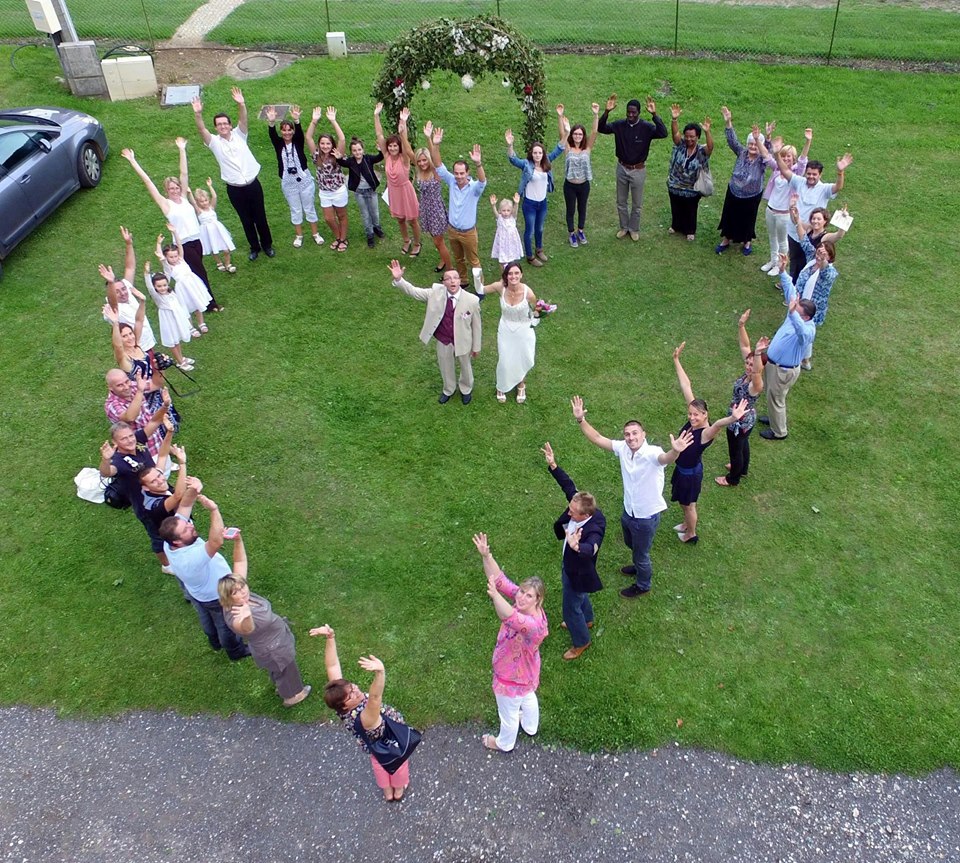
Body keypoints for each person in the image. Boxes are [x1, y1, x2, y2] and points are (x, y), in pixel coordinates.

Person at [571, 395, 692, 598]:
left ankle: (643, 583)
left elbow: (666, 458)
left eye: (635, 433)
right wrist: (581, 420)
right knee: (631, 544)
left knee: (641, 554)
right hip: (629, 511)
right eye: (627, 434)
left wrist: (676, 451)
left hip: (645, 517)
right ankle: (638, 562)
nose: (631, 437)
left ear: (643, 435)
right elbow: (598, 438)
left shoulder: (653, 453)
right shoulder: (623, 449)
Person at [311, 624, 411, 801]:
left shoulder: (342, 706)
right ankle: (398, 790)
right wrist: (380, 672)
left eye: (351, 687)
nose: (356, 691)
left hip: (374, 747)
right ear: (344, 706)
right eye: (350, 695)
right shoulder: (365, 717)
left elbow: (332, 665)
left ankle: (388, 793)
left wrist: (330, 638)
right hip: (391, 740)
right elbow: (375, 697)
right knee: (397, 764)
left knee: (379, 765)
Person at [119, 142, 221, 311]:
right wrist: (132, 161)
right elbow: (148, 182)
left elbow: (184, 172)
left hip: (197, 240)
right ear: (166, 191)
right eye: (171, 188)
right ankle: (210, 304)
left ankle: (197, 301)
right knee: (200, 272)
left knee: (195, 274)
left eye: (176, 187)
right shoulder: (166, 204)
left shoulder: (185, 198)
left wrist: (182, 149)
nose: (174, 190)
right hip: (184, 245)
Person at [159, 478, 251, 661]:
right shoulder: (189, 559)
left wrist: (194, 489)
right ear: (177, 541)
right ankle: (235, 651)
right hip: (216, 596)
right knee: (227, 626)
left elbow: (185, 505)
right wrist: (213, 510)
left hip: (197, 593)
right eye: (186, 529)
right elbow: (216, 541)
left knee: (206, 620)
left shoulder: (170, 543)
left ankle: (214, 642)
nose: (191, 526)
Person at [472, 532, 548, 752]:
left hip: (511, 676)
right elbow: (500, 580)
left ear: (538, 600)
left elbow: (509, 617)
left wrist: (496, 596)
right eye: (522, 592)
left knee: (508, 713)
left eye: (528, 596)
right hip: (527, 671)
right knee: (528, 697)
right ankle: (531, 726)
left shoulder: (532, 624)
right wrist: (486, 556)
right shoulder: (528, 606)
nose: (521, 597)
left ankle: (504, 743)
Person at [218, 535, 311, 707]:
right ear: (228, 597)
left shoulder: (241, 597)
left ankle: (282, 687)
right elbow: (245, 629)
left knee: (279, 671)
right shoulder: (235, 615)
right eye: (235, 592)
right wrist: (246, 615)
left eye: (242, 587)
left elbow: (240, 561)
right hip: (273, 649)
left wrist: (238, 541)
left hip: (274, 643)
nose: (242, 592)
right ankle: (292, 696)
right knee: (287, 671)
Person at [670, 342, 749, 544]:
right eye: (690, 414)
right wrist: (676, 360)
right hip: (682, 470)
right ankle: (687, 524)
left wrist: (733, 418)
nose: (692, 417)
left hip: (690, 474)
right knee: (684, 503)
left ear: (705, 415)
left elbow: (720, 424)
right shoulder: (693, 420)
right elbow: (686, 386)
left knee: (689, 505)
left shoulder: (706, 432)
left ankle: (691, 534)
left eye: (696, 415)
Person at [192, 87, 274, 262]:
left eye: (225, 123)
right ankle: (254, 247)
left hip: (253, 185)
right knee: (246, 220)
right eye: (219, 124)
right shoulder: (214, 143)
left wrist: (241, 104)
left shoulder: (240, 134)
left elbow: (243, 119)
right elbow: (201, 131)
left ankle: (267, 245)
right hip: (235, 189)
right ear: (216, 127)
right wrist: (198, 114)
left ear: (230, 125)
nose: (222, 126)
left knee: (260, 216)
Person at [541, 442, 605, 661]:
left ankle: (581, 641)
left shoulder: (595, 526)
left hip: (578, 570)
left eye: (572, 512)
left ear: (585, 515)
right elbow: (567, 485)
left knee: (570, 607)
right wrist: (553, 465)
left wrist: (578, 547)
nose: (568, 513)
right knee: (579, 598)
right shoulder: (579, 504)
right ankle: (587, 618)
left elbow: (592, 546)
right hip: (570, 564)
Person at [387, 259, 481, 405]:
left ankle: (466, 389)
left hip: (463, 341)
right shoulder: (435, 293)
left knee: (465, 366)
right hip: (443, 339)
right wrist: (399, 279)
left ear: (460, 281)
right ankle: (448, 389)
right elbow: (414, 292)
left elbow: (477, 326)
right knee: (445, 365)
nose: (452, 281)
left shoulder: (472, 300)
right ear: (443, 283)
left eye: (455, 278)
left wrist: (476, 347)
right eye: (448, 278)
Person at [99, 416, 175, 571]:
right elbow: (107, 472)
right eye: (123, 439)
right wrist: (105, 460)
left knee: (175, 521)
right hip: (147, 507)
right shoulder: (118, 461)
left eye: (130, 436)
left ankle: (179, 543)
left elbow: (153, 422)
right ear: (116, 443)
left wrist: (165, 406)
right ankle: (167, 566)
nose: (129, 440)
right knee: (158, 538)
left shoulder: (139, 441)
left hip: (161, 491)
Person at [757, 254, 817, 441]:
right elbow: (791, 291)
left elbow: (800, 330)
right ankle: (773, 418)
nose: (793, 309)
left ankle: (779, 431)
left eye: (797, 310)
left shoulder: (807, 329)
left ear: (805, 317)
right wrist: (783, 271)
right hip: (774, 365)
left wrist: (792, 313)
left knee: (777, 398)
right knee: (772, 394)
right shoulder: (797, 313)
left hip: (784, 370)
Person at [597, 93, 668, 241]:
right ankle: (624, 227)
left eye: (633, 112)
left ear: (639, 113)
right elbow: (601, 128)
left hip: (638, 170)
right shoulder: (619, 125)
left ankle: (634, 228)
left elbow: (663, 133)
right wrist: (606, 112)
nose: (630, 115)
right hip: (622, 168)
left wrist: (654, 114)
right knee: (621, 201)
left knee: (637, 204)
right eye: (628, 112)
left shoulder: (646, 127)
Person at [103, 302, 180, 432]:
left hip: (155, 385)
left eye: (130, 333)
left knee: (168, 418)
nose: (130, 337)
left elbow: (139, 321)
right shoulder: (124, 359)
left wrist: (142, 301)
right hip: (143, 393)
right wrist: (115, 323)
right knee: (154, 426)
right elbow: (117, 346)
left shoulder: (137, 345)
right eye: (124, 336)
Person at [425, 123, 486, 287]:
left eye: (462, 173)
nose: (459, 176)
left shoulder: (474, 188)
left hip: (468, 233)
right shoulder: (451, 181)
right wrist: (435, 145)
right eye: (457, 173)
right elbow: (438, 165)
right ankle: (464, 281)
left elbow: (482, 181)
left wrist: (478, 164)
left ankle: (480, 289)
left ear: (468, 173)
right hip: (452, 230)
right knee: (458, 258)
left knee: (474, 261)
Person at [784, 200, 839, 371]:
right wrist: (796, 217)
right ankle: (800, 354)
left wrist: (822, 260)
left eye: (824, 253)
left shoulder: (829, 271)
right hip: (799, 300)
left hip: (812, 308)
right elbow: (803, 239)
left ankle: (804, 359)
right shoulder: (811, 258)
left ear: (830, 258)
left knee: (805, 332)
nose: (820, 254)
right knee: (795, 327)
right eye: (819, 250)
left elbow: (823, 270)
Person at [715, 310, 768, 488]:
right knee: (743, 445)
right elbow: (745, 346)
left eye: (751, 364)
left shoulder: (755, 384)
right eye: (747, 362)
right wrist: (741, 325)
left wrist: (759, 354)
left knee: (735, 449)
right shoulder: (748, 373)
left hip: (739, 421)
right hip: (747, 419)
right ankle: (742, 468)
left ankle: (733, 478)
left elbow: (756, 371)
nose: (748, 366)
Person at [475, 262, 536, 403]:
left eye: (516, 273)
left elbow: (535, 311)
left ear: (521, 275)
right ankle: (501, 386)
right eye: (510, 273)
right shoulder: (500, 287)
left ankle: (521, 384)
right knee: (504, 359)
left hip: (523, 329)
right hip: (505, 329)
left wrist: (540, 315)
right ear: (506, 275)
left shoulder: (529, 293)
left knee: (524, 358)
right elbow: (480, 289)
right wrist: (478, 276)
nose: (513, 276)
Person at [265, 104, 324, 248]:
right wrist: (271, 122)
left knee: (309, 207)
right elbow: (272, 135)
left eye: (289, 130)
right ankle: (299, 235)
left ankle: (315, 234)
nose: (287, 133)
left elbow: (300, 134)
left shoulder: (297, 142)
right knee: (295, 209)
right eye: (284, 130)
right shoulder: (279, 144)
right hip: (288, 181)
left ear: (292, 131)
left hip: (303, 179)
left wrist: (297, 120)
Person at [505, 127, 564, 267]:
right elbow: (513, 159)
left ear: (543, 154)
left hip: (542, 203)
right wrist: (510, 145)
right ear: (531, 154)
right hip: (529, 204)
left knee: (540, 228)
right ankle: (530, 257)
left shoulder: (546, 163)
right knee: (529, 230)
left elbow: (560, 148)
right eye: (535, 153)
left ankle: (539, 249)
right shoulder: (526, 165)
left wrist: (566, 133)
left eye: (540, 153)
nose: (538, 155)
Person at [715, 107, 770, 256]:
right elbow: (732, 140)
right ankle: (726, 239)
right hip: (734, 191)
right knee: (730, 215)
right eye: (750, 144)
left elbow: (768, 152)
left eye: (755, 144)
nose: (752, 147)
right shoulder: (741, 152)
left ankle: (747, 241)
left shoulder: (763, 160)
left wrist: (766, 138)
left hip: (752, 195)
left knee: (748, 218)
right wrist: (728, 122)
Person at [757, 128, 810, 277]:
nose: (786, 159)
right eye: (784, 156)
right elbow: (766, 156)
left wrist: (807, 141)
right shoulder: (776, 169)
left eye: (789, 157)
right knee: (771, 237)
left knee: (782, 241)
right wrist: (757, 139)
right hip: (771, 209)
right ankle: (773, 261)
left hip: (784, 214)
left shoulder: (796, 173)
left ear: (793, 159)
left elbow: (803, 161)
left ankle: (781, 265)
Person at [100, 227, 157, 353]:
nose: (123, 293)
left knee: (158, 371)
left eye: (123, 289)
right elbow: (113, 300)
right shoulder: (113, 308)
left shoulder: (127, 290)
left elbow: (130, 267)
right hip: (136, 349)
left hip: (148, 342)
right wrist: (110, 282)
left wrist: (128, 244)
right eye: (118, 292)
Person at [374, 103, 420, 255]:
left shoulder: (404, 158)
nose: (393, 148)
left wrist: (403, 125)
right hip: (394, 192)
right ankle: (406, 240)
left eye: (395, 146)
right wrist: (376, 115)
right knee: (400, 219)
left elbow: (406, 145)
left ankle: (417, 243)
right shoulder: (387, 156)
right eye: (390, 146)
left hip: (405, 191)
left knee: (412, 220)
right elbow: (380, 135)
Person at [666, 104, 713, 242]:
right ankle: (675, 226)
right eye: (687, 136)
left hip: (692, 189)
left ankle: (690, 230)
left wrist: (707, 131)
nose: (689, 139)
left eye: (692, 137)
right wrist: (674, 120)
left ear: (697, 136)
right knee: (676, 207)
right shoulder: (680, 145)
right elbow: (675, 134)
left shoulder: (701, 151)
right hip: (675, 185)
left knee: (690, 210)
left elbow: (710, 147)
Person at [556, 102, 600, 247]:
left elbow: (594, 132)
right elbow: (562, 134)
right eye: (575, 133)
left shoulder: (587, 148)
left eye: (580, 134)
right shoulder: (567, 148)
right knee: (570, 210)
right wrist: (560, 116)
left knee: (582, 208)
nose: (577, 136)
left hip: (584, 185)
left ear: (583, 136)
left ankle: (580, 231)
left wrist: (595, 115)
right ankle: (571, 233)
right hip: (570, 185)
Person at [306, 105, 349, 251]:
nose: (325, 146)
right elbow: (308, 137)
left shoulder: (337, 154)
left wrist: (333, 121)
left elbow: (342, 139)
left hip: (338, 190)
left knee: (341, 216)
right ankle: (338, 236)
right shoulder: (316, 155)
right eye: (323, 143)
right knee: (329, 219)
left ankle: (343, 239)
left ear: (332, 145)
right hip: (324, 192)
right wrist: (314, 121)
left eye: (328, 143)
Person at [156, 226, 212, 336]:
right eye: (171, 257)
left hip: (193, 283)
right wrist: (158, 244)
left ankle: (201, 323)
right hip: (182, 287)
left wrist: (175, 232)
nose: (174, 258)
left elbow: (180, 245)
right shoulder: (168, 267)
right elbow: (160, 257)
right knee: (185, 307)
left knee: (197, 302)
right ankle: (190, 327)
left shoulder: (181, 259)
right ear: (167, 258)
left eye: (175, 256)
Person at [336, 127, 384, 250]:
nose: (357, 152)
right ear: (351, 152)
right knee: (365, 214)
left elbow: (379, 158)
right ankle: (370, 235)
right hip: (359, 193)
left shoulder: (368, 159)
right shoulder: (351, 161)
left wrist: (380, 151)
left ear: (363, 150)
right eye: (354, 151)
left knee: (375, 212)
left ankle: (377, 228)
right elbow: (342, 163)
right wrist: (338, 158)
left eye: (359, 150)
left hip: (371, 191)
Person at [103, 368, 168, 457]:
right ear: (110, 387)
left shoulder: (132, 386)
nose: (126, 387)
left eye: (127, 381)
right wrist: (140, 391)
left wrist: (159, 368)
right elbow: (130, 417)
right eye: (120, 385)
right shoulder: (112, 405)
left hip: (156, 440)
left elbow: (157, 384)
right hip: (140, 451)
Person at [143, 262, 194, 371]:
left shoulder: (170, 293)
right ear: (155, 287)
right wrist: (147, 273)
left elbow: (168, 272)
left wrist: (163, 261)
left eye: (164, 285)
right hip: (168, 320)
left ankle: (181, 357)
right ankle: (180, 362)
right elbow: (149, 288)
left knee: (178, 339)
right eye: (159, 286)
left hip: (177, 318)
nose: (162, 288)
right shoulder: (158, 297)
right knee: (173, 340)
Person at [413, 139, 453, 273]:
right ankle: (443, 260)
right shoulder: (420, 172)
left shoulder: (434, 171)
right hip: (426, 210)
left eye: (424, 160)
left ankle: (450, 269)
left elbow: (435, 157)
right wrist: (402, 131)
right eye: (419, 161)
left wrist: (429, 139)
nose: (422, 163)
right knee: (436, 241)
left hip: (435, 211)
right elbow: (408, 151)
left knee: (439, 242)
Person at [188, 178, 236, 273]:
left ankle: (228, 264)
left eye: (206, 200)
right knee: (213, 247)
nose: (204, 203)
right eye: (201, 201)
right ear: (198, 203)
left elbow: (215, 197)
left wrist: (210, 186)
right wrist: (189, 193)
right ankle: (218, 262)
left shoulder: (211, 207)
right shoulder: (199, 211)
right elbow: (193, 202)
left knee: (226, 249)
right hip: (208, 231)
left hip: (218, 229)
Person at [489, 193, 524, 266]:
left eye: (508, 210)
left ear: (511, 211)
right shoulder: (500, 218)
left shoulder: (512, 218)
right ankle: (503, 275)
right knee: (502, 261)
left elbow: (515, 212)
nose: (506, 212)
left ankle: (510, 273)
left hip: (511, 241)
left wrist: (516, 203)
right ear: (500, 211)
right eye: (503, 210)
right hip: (502, 242)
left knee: (512, 260)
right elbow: (495, 212)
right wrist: (493, 205)